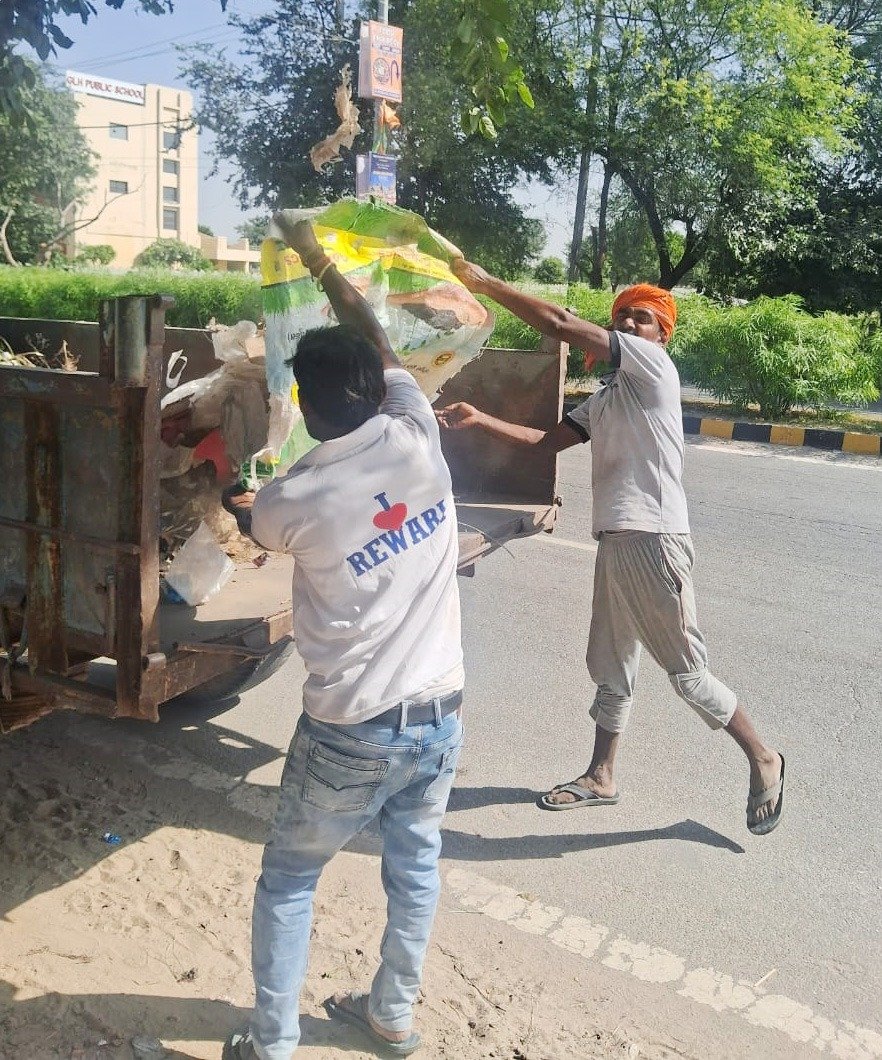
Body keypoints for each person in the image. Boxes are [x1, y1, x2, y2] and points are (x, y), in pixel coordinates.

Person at [222, 216, 464, 1060]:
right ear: (376, 387)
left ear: (304, 406)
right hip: (440, 714)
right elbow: (376, 337)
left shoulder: (293, 496)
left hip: (349, 730)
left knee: (290, 878)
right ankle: (392, 1015)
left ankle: (273, 1044)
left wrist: (233, 499)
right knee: (415, 868)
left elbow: (258, 529)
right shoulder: (417, 433)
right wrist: (320, 261)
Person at [437, 263, 784, 836]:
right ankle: (601, 776)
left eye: (640, 318)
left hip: (653, 539)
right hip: (617, 540)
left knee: (688, 674)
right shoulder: (609, 397)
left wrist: (486, 284)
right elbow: (546, 441)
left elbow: (559, 323)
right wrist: (479, 419)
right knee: (611, 664)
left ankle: (763, 756)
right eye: (621, 315)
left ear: (661, 335)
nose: (626, 323)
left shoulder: (653, 368)